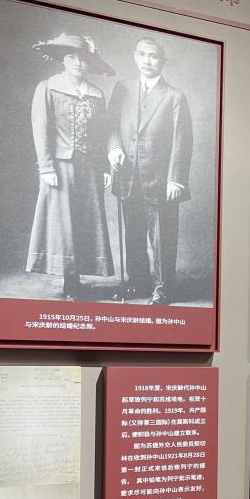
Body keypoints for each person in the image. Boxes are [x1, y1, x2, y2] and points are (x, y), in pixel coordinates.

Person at [25, 33, 116, 301]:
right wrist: (46, 167)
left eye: (83, 58)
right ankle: (70, 281)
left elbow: (101, 134)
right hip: (61, 166)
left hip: (90, 167)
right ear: (62, 60)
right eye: (72, 57)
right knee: (64, 222)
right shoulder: (48, 87)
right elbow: (40, 129)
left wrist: (105, 168)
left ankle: (78, 278)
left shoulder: (96, 94)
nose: (78, 63)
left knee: (86, 221)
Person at [106, 36, 193, 305]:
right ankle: (137, 282)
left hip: (160, 180)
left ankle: (163, 288)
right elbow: (110, 125)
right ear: (135, 57)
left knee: (162, 237)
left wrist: (176, 179)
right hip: (128, 176)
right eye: (142, 54)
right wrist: (114, 148)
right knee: (133, 234)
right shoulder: (122, 89)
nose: (147, 60)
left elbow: (182, 140)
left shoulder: (174, 96)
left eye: (153, 56)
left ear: (162, 61)